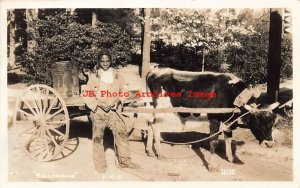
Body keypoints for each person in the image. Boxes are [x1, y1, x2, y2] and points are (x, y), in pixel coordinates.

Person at [84, 48, 140, 173]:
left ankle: (125, 161)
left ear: (110, 61)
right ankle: (100, 165)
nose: (105, 63)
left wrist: (119, 100)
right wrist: (99, 104)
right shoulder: (94, 77)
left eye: (107, 60)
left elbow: (124, 91)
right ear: (99, 62)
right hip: (99, 112)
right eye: (102, 61)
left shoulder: (117, 75)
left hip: (114, 111)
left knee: (122, 134)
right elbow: (88, 95)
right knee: (98, 138)